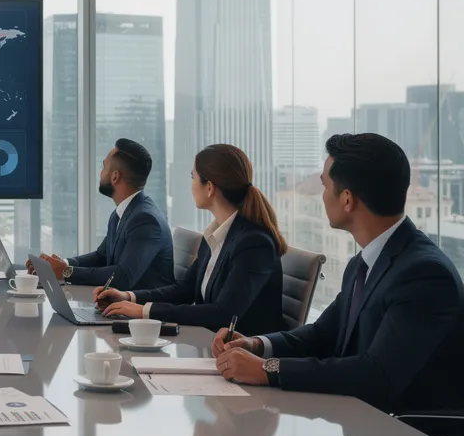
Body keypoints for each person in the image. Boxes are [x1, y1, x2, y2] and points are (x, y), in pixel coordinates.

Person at [214, 133, 464, 436]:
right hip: (366, 431)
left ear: (347, 199)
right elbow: (322, 335)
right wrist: (258, 345)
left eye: (325, 186)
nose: (322, 195)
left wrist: (267, 370)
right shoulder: (363, 264)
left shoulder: (423, 274)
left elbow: (377, 375)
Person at [98, 143, 285, 335]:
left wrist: (145, 312)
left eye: (193, 177)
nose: (191, 185)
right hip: (207, 340)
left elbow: (223, 314)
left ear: (209, 187)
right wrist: (129, 297)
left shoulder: (254, 244)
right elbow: (184, 290)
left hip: (237, 349)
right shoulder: (215, 234)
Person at [28, 138, 173, 290]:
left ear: (115, 177)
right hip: (117, 300)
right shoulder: (122, 213)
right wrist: (61, 264)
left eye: (104, 166)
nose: (101, 172)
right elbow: (102, 257)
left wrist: (65, 272)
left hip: (141, 304)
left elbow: (124, 277)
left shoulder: (146, 220)